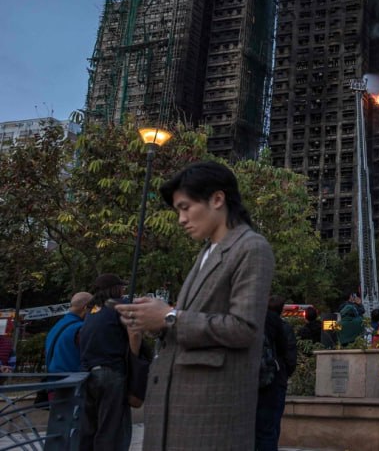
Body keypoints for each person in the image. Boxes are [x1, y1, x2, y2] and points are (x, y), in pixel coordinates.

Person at [115, 160, 275, 451]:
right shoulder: (205, 253)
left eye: (186, 207)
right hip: (176, 410)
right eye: (178, 211)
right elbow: (187, 319)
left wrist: (169, 317)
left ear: (217, 199)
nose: (181, 219)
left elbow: (245, 328)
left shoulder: (251, 247)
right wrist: (150, 319)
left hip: (210, 415)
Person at [79, 274, 139, 451]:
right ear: (116, 288)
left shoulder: (92, 309)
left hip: (88, 372)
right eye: (121, 287)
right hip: (111, 371)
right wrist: (134, 360)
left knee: (90, 427)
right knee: (112, 428)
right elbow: (134, 334)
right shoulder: (119, 306)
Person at [256, 295, 298, 451]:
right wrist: (284, 372)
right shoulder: (283, 327)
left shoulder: (257, 325)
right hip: (275, 381)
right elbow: (290, 355)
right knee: (270, 428)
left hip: (256, 381)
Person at [45, 291, 93, 373]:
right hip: (73, 381)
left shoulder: (56, 326)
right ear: (85, 308)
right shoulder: (81, 328)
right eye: (93, 308)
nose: (94, 312)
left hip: (53, 380)